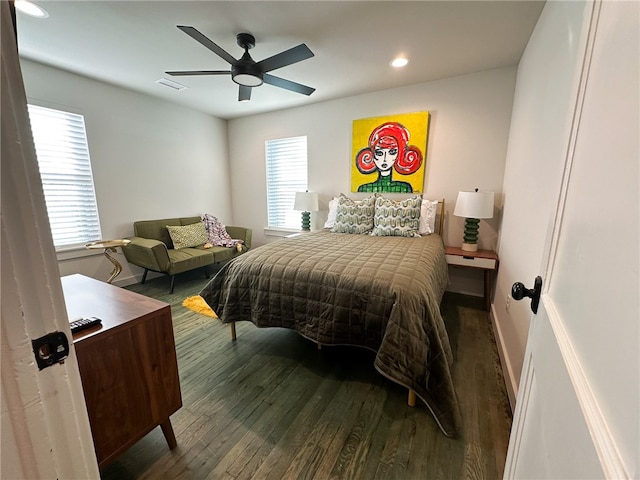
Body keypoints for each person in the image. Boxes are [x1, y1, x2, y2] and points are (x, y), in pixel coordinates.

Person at [355, 122, 423, 193]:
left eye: (392, 152)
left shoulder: (404, 188)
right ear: (372, 154)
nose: (385, 159)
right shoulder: (364, 189)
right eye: (379, 153)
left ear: (399, 154)